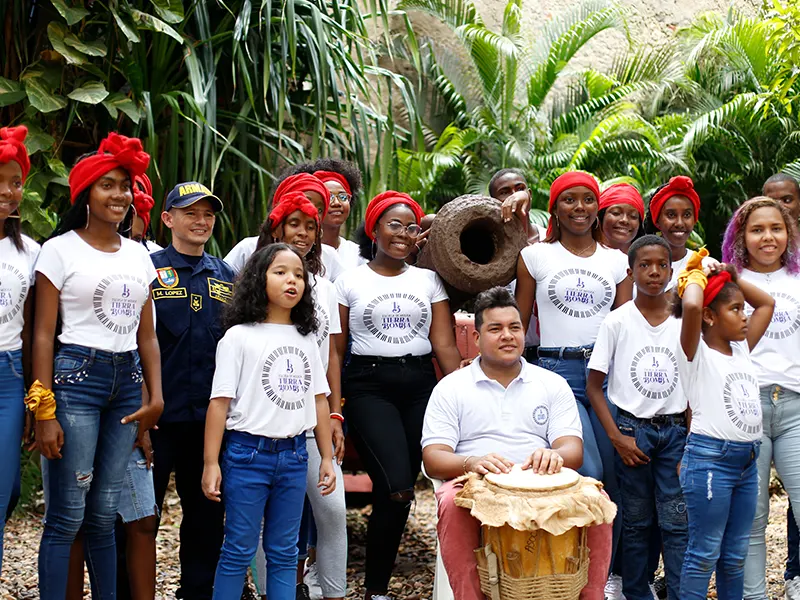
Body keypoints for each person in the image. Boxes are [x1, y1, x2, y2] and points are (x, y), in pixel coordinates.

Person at [31, 133, 164, 600]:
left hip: (126, 384)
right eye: (107, 185)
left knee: (105, 515)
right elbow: (43, 334)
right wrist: (43, 410)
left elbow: (146, 334)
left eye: (125, 186)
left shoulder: (139, 255)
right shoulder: (60, 249)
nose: (119, 195)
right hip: (74, 382)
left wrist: (156, 396)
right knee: (67, 517)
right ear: (86, 192)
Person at [421, 286, 612, 600]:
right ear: (477, 338)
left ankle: (591, 595)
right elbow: (433, 458)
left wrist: (555, 456)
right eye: (495, 329)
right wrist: (471, 462)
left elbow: (572, 450)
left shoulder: (551, 383)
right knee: (448, 502)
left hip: (542, 480)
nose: (507, 336)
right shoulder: (451, 388)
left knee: (597, 498)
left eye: (514, 327)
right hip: (476, 481)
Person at [335, 191, 462, 600]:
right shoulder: (350, 280)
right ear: (374, 229)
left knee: (402, 489)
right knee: (395, 485)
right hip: (369, 385)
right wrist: (335, 406)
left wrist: (461, 390)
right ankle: (375, 590)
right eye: (394, 225)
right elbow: (336, 350)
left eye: (411, 227)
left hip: (420, 383)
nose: (404, 234)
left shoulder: (427, 280)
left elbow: (443, 343)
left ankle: (381, 587)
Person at [202, 243, 336, 600]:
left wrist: (325, 457)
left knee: (285, 552)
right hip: (247, 456)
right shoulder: (238, 337)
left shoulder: (306, 338)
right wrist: (211, 462)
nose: (291, 280)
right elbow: (219, 404)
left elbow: (319, 400)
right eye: (280, 272)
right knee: (238, 549)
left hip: (294, 458)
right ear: (258, 279)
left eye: (298, 275)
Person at [253, 191, 348, 600]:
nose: (305, 234)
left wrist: (335, 416)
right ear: (277, 227)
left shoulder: (324, 287)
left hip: (314, 421)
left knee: (333, 511)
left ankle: (333, 592)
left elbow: (330, 355)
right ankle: (267, 592)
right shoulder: (255, 281)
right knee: (262, 520)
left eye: (311, 227)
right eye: (295, 224)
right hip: (263, 422)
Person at [587, 235, 688, 600]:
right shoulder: (616, 321)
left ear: (672, 270)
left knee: (677, 522)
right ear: (630, 273)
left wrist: (691, 440)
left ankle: (679, 593)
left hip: (676, 432)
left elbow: (695, 378)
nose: (654, 273)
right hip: (633, 432)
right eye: (644, 266)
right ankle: (635, 592)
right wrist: (616, 437)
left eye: (661, 265)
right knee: (635, 521)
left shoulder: (683, 320)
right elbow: (594, 385)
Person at [514, 171, 632, 482]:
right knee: (587, 470)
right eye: (569, 200)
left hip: (605, 372)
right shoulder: (534, 256)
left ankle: (609, 533)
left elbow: (624, 326)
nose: (580, 207)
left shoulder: (618, 261)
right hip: (556, 370)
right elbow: (519, 322)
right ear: (554, 208)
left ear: (597, 208)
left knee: (613, 472)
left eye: (588, 199)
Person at [149, 181, 234, 600]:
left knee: (206, 514)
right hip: (158, 418)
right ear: (167, 219)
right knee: (141, 515)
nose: (201, 222)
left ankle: (197, 592)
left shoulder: (227, 275)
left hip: (209, 422)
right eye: (190, 213)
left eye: (208, 214)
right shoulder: (146, 269)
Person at [674, 249, 775, 600]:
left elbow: (767, 303)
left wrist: (730, 274)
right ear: (710, 317)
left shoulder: (742, 348)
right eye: (734, 309)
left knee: (734, 556)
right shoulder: (694, 352)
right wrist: (698, 273)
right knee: (703, 554)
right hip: (710, 461)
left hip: (747, 461)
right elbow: (688, 307)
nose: (745, 315)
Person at [719, 197, 800, 600]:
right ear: (741, 236)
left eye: (776, 229)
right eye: (756, 230)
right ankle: (754, 596)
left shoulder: (799, 279)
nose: (768, 237)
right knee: (752, 516)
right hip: (744, 407)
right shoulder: (728, 281)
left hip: (796, 407)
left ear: (789, 233)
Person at [0, 126, 39, 569]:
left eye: (15, 181)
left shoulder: (30, 251)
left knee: (7, 491)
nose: (8, 191)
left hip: (8, 378)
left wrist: (34, 398)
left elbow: (34, 331)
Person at [761, 173, 800, 597]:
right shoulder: (742, 265)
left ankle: (795, 573)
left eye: (787, 201)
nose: (781, 209)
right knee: (754, 511)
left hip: (796, 395)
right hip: (755, 397)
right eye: (771, 202)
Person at [224, 172, 344, 280]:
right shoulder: (248, 248)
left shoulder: (329, 257)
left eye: (319, 209)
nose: (310, 209)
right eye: (304, 200)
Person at [645, 175, 702, 290]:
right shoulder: (637, 265)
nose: (679, 223)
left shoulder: (704, 265)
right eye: (671, 215)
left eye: (687, 215)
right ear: (657, 221)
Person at [597, 183, 645, 253]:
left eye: (633, 216)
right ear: (601, 217)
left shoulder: (648, 260)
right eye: (616, 213)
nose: (624, 220)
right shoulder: (580, 256)